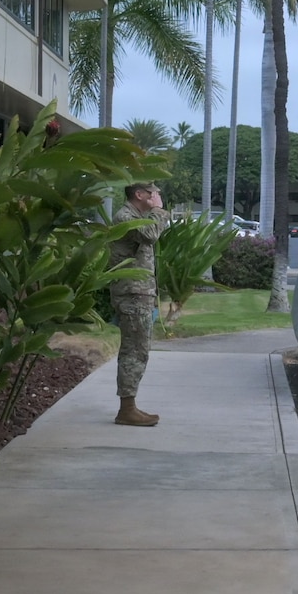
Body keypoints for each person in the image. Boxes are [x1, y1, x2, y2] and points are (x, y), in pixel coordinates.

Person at [108, 181, 169, 426]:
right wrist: (158, 210)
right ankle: (126, 409)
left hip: (139, 293)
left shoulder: (137, 216)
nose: (157, 197)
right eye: (154, 194)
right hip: (131, 294)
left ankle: (130, 405)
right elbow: (151, 235)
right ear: (139, 194)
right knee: (134, 350)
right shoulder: (125, 217)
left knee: (138, 350)